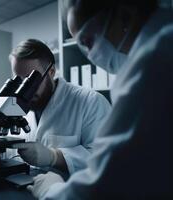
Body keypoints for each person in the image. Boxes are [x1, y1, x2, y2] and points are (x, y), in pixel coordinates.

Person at [27, 0, 173, 199]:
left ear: (125, 15)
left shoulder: (154, 64)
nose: (90, 56)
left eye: (88, 41)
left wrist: (50, 190)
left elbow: (107, 185)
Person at [11, 39, 111, 174]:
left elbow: (106, 158)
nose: (25, 89)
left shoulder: (91, 102)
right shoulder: (21, 107)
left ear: (51, 71)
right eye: (19, 80)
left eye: (31, 79)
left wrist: (54, 157)